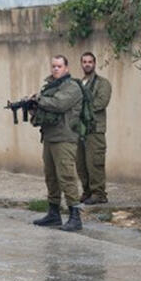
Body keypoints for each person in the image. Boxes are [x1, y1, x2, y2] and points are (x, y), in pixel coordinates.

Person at [30, 54, 86, 232]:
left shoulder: (72, 87)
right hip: (50, 137)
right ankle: (54, 213)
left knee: (66, 176)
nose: (55, 69)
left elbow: (59, 104)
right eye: (53, 66)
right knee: (51, 176)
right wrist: (31, 106)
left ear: (66, 68)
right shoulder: (50, 87)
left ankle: (75, 216)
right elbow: (46, 108)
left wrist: (38, 99)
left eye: (59, 66)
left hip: (65, 138)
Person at [76, 51, 113, 205]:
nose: (87, 64)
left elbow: (101, 102)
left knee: (95, 162)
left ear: (94, 63)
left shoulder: (102, 83)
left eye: (90, 61)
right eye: (84, 61)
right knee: (81, 164)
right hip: (80, 130)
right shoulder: (78, 84)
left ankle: (99, 193)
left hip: (95, 129)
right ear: (81, 64)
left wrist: (80, 108)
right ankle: (87, 191)